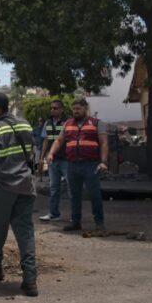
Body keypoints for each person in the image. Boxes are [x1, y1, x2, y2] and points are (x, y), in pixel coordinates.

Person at [0, 91, 38, 297]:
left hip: (2, 188)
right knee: (25, 233)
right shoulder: (25, 125)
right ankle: (30, 281)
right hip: (26, 187)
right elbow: (30, 154)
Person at [47, 98, 108, 232]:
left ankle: (99, 223)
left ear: (85, 108)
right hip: (72, 164)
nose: (76, 111)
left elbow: (103, 143)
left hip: (91, 164)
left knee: (94, 194)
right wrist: (51, 153)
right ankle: (76, 222)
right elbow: (59, 140)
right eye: (74, 109)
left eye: (78, 108)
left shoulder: (97, 123)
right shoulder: (68, 124)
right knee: (74, 195)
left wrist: (103, 162)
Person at [38, 100, 71, 221]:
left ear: (62, 109)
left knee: (71, 187)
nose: (52, 110)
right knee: (54, 188)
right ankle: (53, 214)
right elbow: (46, 140)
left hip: (66, 159)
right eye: (51, 108)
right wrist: (41, 158)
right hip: (53, 160)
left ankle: (75, 216)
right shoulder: (48, 123)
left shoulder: (68, 122)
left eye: (55, 108)